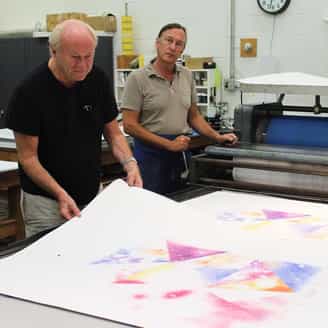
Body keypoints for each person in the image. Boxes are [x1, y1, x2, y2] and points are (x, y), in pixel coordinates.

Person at [6, 19, 142, 237]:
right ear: (53, 51)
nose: (83, 65)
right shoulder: (29, 92)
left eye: (89, 56)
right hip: (47, 203)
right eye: (75, 57)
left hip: (91, 194)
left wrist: (130, 163)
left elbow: (114, 132)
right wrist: (59, 193)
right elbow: (28, 158)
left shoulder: (97, 79)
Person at [121, 23, 237, 195]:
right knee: (151, 208)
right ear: (157, 43)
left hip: (179, 151)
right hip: (150, 156)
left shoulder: (187, 75)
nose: (173, 47)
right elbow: (129, 125)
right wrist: (168, 145)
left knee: (181, 203)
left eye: (179, 43)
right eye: (169, 40)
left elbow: (194, 116)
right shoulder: (137, 78)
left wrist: (218, 137)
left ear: (182, 49)